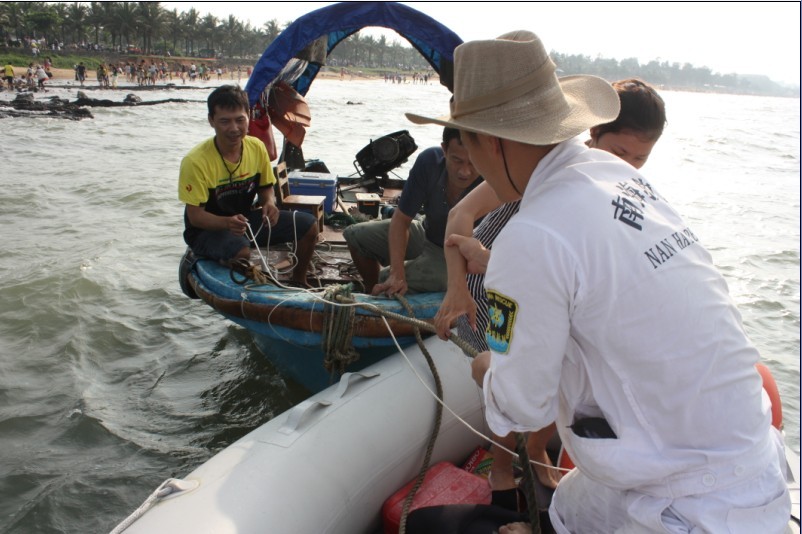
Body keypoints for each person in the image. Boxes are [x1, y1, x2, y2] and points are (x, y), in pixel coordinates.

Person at [406, 30, 790, 533]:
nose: (473, 166)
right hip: (751, 466)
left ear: (491, 141)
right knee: (564, 509)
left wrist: (487, 368)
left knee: (429, 528)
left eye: (470, 145)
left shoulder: (532, 235)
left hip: (689, 507)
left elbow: (521, 405)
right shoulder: (617, 174)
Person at [431, 79, 667, 507]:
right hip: (495, 286)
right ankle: (502, 469)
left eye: (640, 159)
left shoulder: (615, 189)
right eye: (620, 154)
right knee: (509, 381)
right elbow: (460, 214)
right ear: (591, 135)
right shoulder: (533, 169)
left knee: (564, 375)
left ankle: (536, 447)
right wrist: (456, 289)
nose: (629, 167)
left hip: (544, 287)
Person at [179, 85, 318, 287]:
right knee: (241, 251)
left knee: (309, 226)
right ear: (211, 121)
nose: (234, 128)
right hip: (206, 229)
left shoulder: (256, 147)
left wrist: (269, 204)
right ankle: (230, 272)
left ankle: (299, 280)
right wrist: (227, 223)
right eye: (224, 121)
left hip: (244, 221)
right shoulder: (195, 161)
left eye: (239, 120)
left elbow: (265, 188)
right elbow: (195, 217)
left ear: (249, 117)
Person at [343, 127, 482, 295]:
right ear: (444, 149)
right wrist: (397, 273)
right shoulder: (429, 161)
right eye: (457, 160)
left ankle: (381, 292)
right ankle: (373, 296)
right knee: (355, 234)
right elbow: (401, 220)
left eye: (473, 162)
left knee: (384, 277)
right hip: (427, 234)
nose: (465, 172)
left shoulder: (493, 178)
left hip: (461, 257)